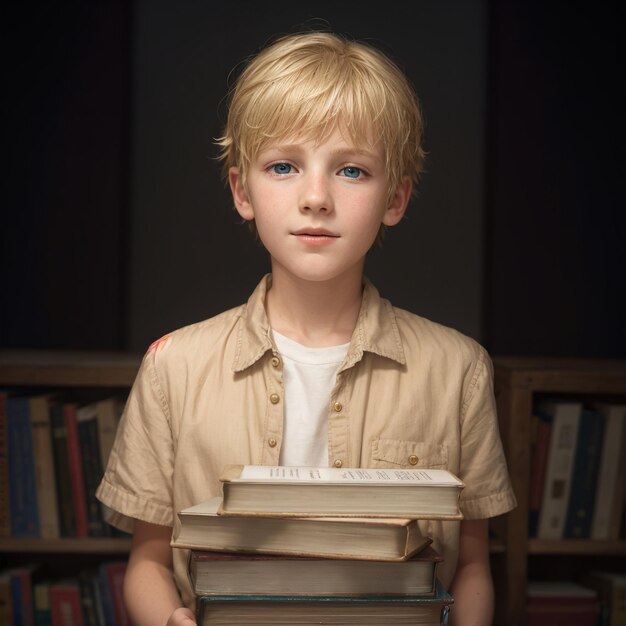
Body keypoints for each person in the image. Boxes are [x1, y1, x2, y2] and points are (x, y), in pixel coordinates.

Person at [96, 30, 517, 626]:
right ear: (243, 190)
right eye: (284, 166)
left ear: (394, 199)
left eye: (350, 170)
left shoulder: (459, 369)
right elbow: (148, 561)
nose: (315, 198)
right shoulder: (174, 366)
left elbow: (472, 565)